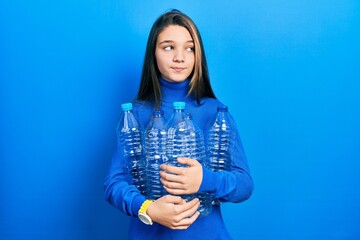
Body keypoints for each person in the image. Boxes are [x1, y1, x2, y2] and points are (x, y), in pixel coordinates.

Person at [104, 9, 254, 239]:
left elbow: (244, 185)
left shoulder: (215, 111)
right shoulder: (135, 114)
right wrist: (148, 208)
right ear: (153, 52)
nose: (180, 58)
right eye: (168, 47)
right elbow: (114, 184)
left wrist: (206, 180)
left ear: (198, 55)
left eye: (189, 48)